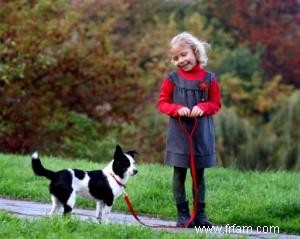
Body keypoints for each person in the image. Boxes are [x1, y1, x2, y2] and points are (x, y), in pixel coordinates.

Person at [157, 32, 221, 228]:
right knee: (179, 173)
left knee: (198, 174)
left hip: (201, 133)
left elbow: (215, 104)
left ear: (195, 51)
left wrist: (202, 108)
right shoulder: (172, 79)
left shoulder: (210, 79)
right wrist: (177, 109)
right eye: (175, 58)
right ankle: (183, 215)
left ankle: (199, 215)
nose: (180, 60)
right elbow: (162, 103)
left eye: (183, 55)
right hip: (179, 133)